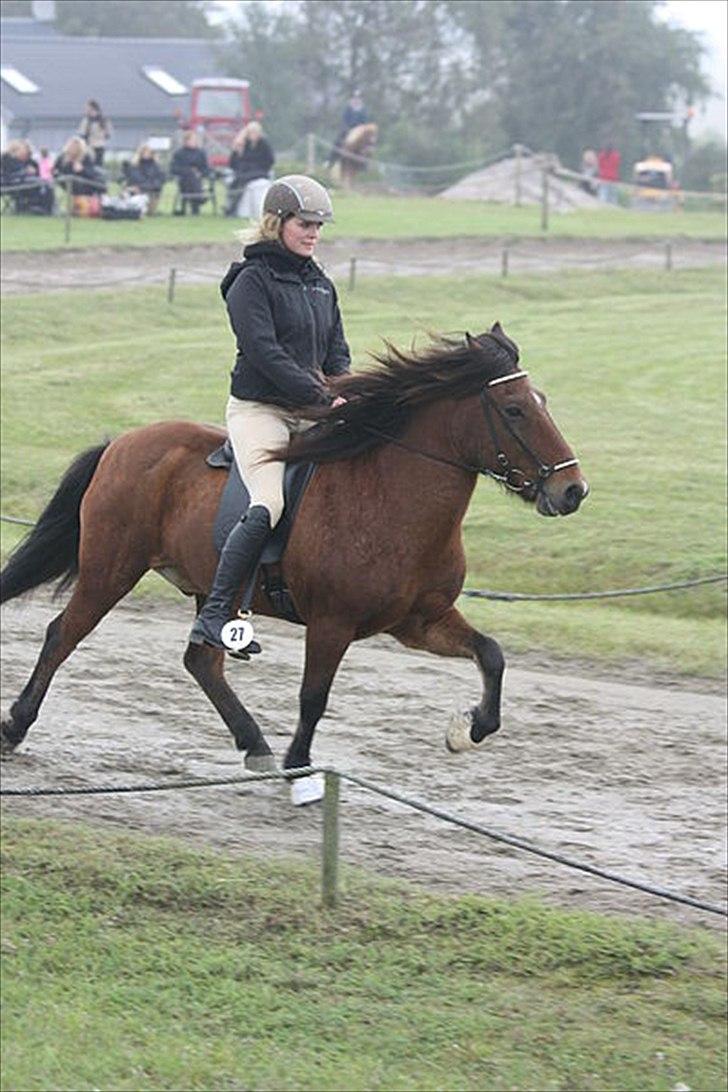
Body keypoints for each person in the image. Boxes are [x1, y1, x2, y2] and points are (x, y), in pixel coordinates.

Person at [188, 175, 351, 656]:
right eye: (305, 224)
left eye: (319, 226)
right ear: (277, 223)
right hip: (261, 410)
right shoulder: (250, 281)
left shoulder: (320, 283)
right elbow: (265, 354)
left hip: (312, 407)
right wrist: (321, 398)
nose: (314, 233)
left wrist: (346, 392)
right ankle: (217, 615)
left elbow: (337, 353)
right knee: (268, 504)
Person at [225, 121, 274, 217]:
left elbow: (269, 161)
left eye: (255, 132)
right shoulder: (244, 145)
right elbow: (233, 164)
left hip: (259, 171)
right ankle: (233, 206)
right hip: (244, 171)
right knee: (238, 180)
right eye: (251, 132)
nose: (253, 135)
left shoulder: (264, 145)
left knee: (242, 180)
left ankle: (232, 207)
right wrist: (237, 151)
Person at [0, 139, 54, 214]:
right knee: (38, 184)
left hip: (27, 183)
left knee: (45, 184)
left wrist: (32, 171)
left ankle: (45, 208)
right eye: (22, 150)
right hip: (10, 184)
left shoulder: (30, 161)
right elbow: (8, 174)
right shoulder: (6, 158)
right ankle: (34, 207)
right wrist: (25, 172)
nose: (25, 153)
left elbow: (37, 173)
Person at [170, 130, 211, 215]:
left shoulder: (201, 153)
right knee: (190, 175)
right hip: (184, 180)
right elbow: (173, 168)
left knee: (193, 177)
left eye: (194, 140)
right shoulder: (179, 153)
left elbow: (206, 168)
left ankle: (197, 200)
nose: (193, 142)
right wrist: (188, 171)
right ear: (185, 141)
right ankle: (199, 198)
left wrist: (200, 173)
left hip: (198, 179)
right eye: (191, 140)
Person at [328, 90, 369, 167]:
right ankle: (331, 160)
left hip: (359, 130)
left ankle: (365, 164)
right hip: (348, 130)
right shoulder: (348, 108)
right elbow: (344, 119)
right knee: (338, 140)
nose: (356, 100)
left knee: (367, 145)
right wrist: (347, 129)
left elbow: (364, 122)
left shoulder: (363, 110)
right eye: (355, 98)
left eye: (358, 98)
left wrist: (360, 129)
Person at [124, 143, 166, 215]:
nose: (146, 154)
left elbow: (161, 177)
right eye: (144, 152)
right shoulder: (135, 165)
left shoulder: (156, 165)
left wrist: (152, 185)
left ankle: (150, 209)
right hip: (139, 189)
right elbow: (136, 178)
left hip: (151, 189)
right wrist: (145, 186)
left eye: (149, 153)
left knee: (157, 190)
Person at [78, 99, 112, 167]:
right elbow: (82, 135)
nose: (87, 110)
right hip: (89, 147)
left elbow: (108, 134)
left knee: (98, 165)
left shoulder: (104, 121)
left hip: (100, 146)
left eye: (88, 108)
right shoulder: (86, 121)